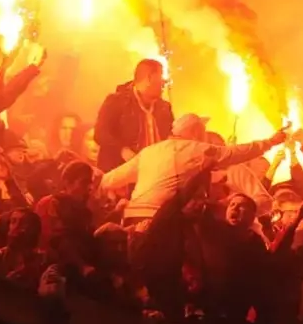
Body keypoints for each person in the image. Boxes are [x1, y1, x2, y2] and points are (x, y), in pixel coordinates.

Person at [99, 113, 287, 229]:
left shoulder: (149, 152)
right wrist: (270, 142)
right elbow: (236, 152)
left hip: (132, 218)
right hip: (164, 222)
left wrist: (96, 186)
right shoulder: (199, 150)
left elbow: (110, 180)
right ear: (197, 133)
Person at [93, 59, 173, 172]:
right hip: (122, 174)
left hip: (155, 175)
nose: (164, 82)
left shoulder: (164, 108)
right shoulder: (116, 101)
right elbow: (100, 133)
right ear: (149, 78)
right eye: (161, 76)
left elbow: (169, 136)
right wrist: (122, 150)